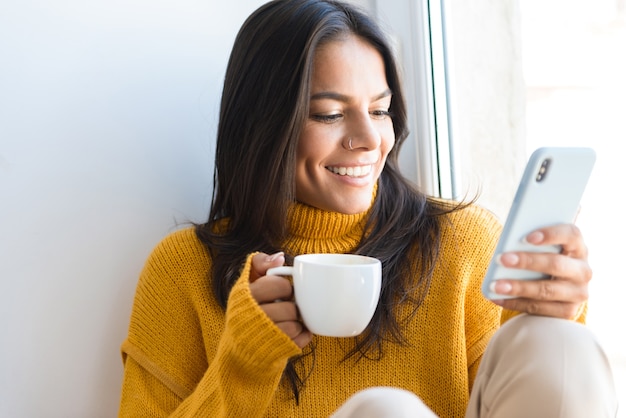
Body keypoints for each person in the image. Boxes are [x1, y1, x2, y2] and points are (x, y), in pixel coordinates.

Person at [118, 0, 618, 416]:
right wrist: (243, 363)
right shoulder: (184, 269)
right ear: (264, 126)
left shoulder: (463, 243)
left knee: (559, 344)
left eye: (379, 110)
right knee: (384, 412)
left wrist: (554, 311)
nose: (367, 139)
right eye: (330, 114)